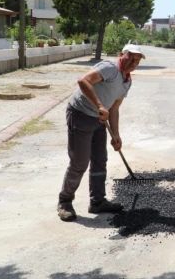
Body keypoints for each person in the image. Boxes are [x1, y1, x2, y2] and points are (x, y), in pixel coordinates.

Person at [56, 44, 145, 222]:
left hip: (99, 119)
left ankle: (97, 201)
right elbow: (83, 81)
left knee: (99, 160)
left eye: (137, 60)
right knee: (80, 162)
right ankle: (64, 201)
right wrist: (99, 105)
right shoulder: (109, 68)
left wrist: (116, 135)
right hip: (81, 114)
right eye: (130, 58)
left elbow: (114, 108)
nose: (133, 62)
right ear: (121, 55)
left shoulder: (127, 80)